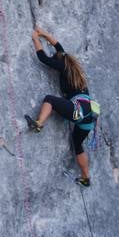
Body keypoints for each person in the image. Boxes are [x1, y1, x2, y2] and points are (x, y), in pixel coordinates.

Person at [26, 26, 97, 187]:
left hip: (78, 110)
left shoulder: (63, 64)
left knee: (49, 99)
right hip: (88, 114)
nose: (54, 59)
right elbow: (57, 46)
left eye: (55, 58)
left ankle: (39, 124)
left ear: (60, 60)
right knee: (77, 144)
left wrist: (36, 39)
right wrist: (43, 33)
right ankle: (86, 177)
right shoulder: (69, 62)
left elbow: (44, 58)